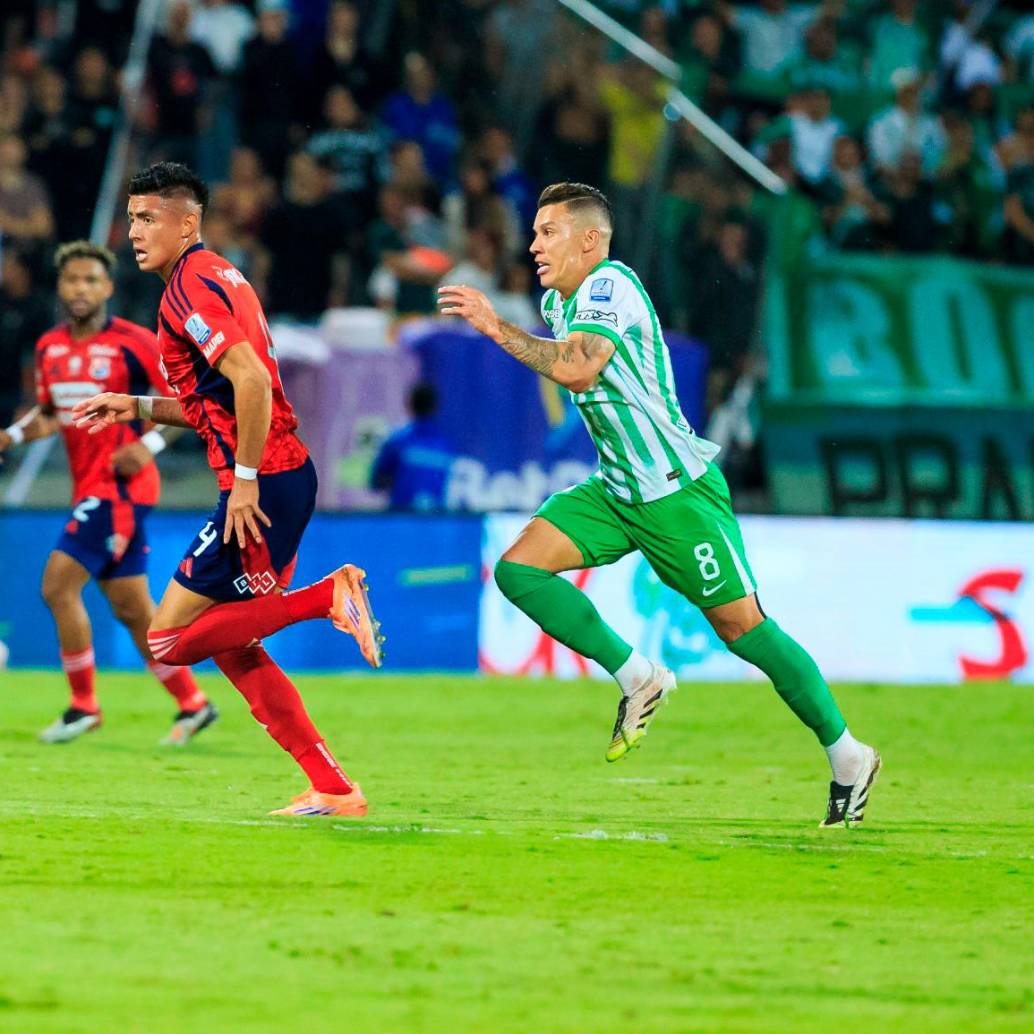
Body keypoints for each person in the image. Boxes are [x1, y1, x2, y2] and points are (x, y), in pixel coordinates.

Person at [438, 182, 881, 828]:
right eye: (533, 233)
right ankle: (638, 674)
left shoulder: (610, 287)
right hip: (615, 490)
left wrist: (493, 325)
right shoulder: (560, 303)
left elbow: (578, 370)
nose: (532, 245)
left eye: (546, 232)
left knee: (745, 630)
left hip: (676, 494)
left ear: (590, 240)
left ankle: (850, 757)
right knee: (517, 569)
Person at [71, 162, 383, 818]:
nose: (134, 231)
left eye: (148, 217)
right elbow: (211, 401)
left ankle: (327, 596)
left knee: (168, 640)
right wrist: (135, 404)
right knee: (232, 643)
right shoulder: (215, 277)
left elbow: (250, 383)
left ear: (188, 223)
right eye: (131, 218)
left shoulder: (188, 289)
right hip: (280, 477)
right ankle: (332, 787)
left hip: (263, 483)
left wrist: (242, 483)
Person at [0, 241, 216, 745]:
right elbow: (52, 413)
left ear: (109, 288)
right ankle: (193, 703)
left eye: (91, 280)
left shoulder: (133, 342)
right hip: (89, 487)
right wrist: (9, 437)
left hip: (121, 487)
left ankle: (83, 706)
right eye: (73, 279)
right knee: (133, 609)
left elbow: (189, 403)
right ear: (60, 286)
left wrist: (151, 444)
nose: (81, 289)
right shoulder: (50, 346)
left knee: (57, 585)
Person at [370, 382, 455, 512]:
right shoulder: (445, 447)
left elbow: (375, 482)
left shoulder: (397, 441)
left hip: (402, 522)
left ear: (409, 404)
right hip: (434, 525)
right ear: (435, 408)